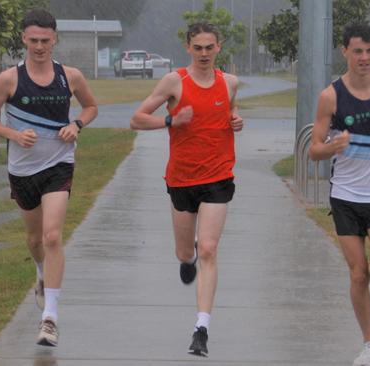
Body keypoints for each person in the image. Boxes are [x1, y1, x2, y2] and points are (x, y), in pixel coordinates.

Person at [0, 8, 98, 347]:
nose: (40, 46)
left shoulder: (70, 76)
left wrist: (76, 125)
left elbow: (91, 107)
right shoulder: (8, 79)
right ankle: (42, 275)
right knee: (34, 241)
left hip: (59, 165)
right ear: (23, 39)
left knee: (53, 236)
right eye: (34, 40)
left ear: (55, 38)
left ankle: (50, 318)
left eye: (46, 40)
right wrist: (14, 136)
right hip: (23, 170)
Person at [130, 22, 243, 357]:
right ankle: (186, 256)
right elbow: (137, 119)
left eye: (210, 47)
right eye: (198, 47)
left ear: (219, 47)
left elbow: (230, 111)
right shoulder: (174, 82)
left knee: (209, 248)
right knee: (187, 253)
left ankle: (201, 328)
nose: (204, 54)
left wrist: (236, 119)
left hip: (218, 177)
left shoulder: (230, 83)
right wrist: (170, 121)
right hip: (181, 179)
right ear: (188, 47)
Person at [308, 24, 370, 366]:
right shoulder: (331, 96)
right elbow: (314, 151)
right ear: (345, 53)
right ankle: (369, 344)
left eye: (369, 51)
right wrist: (333, 145)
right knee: (357, 274)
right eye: (357, 51)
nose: (363, 58)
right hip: (347, 197)